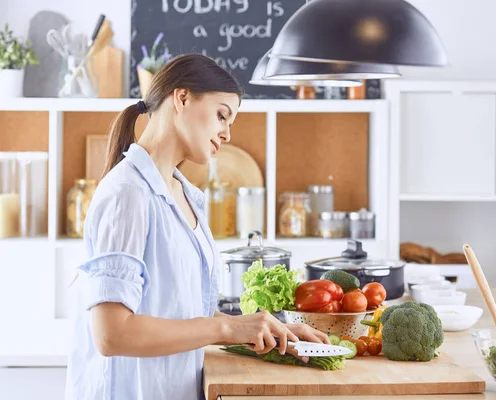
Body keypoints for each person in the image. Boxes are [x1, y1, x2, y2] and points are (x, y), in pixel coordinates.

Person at [64, 54, 328, 400]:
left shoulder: (184, 194)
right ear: (182, 98)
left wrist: (264, 330)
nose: (227, 133)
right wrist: (228, 326)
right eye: (222, 115)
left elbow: (178, 315)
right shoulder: (128, 193)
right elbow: (112, 335)